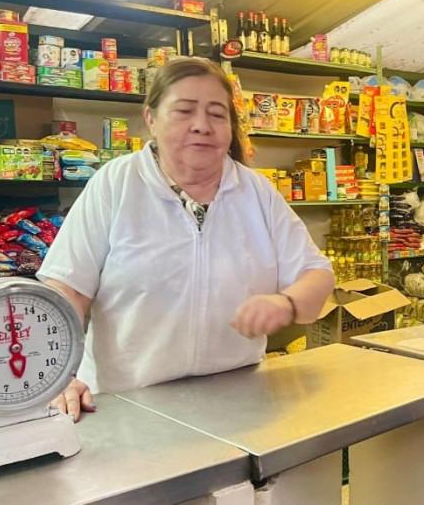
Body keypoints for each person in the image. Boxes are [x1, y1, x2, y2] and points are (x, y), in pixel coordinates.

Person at [38, 58, 335, 420]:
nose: (202, 126)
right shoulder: (117, 183)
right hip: (126, 407)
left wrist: (286, 304)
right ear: (151, 119)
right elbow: (66, 288)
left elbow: (317, 275)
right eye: (184, 111)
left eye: (216, 114)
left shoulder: (256, 191)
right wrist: (57, 374)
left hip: (237, 401)